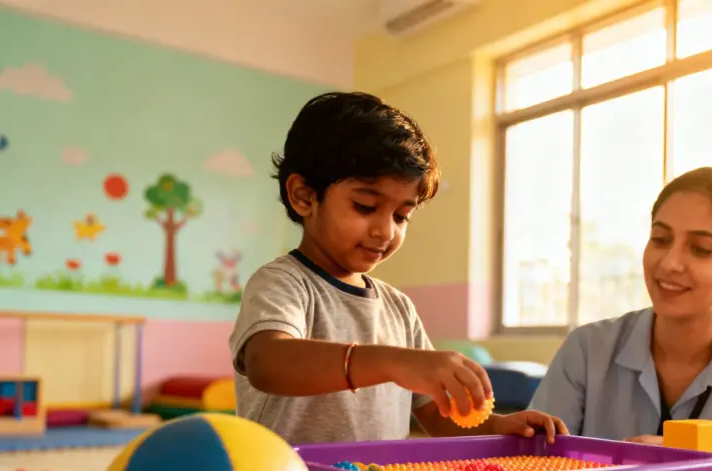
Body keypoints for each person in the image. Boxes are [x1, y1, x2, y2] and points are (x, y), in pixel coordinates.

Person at [229, 91, 567, 445]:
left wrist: (498, 425)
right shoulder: (284, 283)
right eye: (365, 206)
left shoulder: (398, 308)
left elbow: (436, 416)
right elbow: (268, 363)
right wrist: (393, 363)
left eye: (401, 216)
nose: (385, 231)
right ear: (304, 196)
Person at [528, 166, 712, 449]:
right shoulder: (587, 351)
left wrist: (709, 458)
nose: (669, 264)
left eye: (701, 249)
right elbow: (533, 465)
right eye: (661, 240)